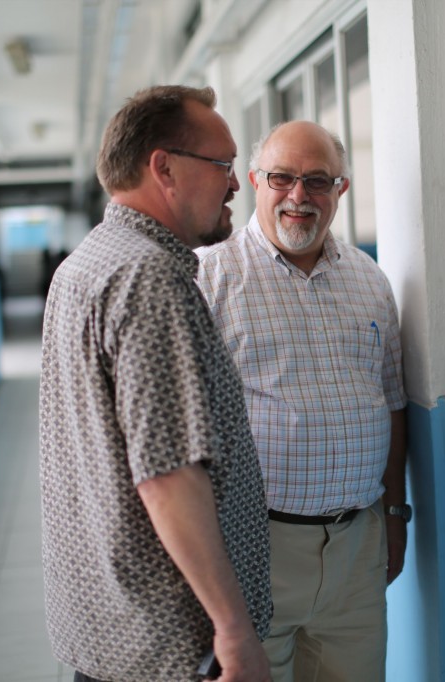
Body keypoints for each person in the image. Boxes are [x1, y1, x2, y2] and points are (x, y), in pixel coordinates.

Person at [38, 85, 273, 682]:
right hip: (172, 644)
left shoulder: (84, 264)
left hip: (110, 629)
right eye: (221, 165)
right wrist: (234, 630)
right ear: (163, 168)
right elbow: (168, 478)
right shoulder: (149, 279)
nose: (235, 185)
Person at [195, 120, 409, 682]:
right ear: (254, 182)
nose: (298, 196)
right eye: (281, 178)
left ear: (341, 189)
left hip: (357, 548)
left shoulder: (370, 280)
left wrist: (395, 513)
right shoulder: (207, 279)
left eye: (317, 181)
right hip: (252, 548)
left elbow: (392, 403)